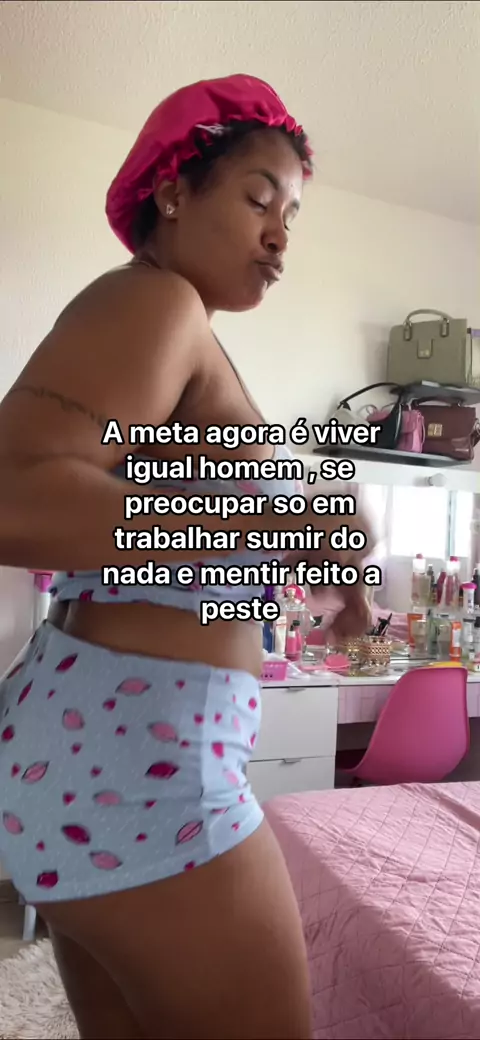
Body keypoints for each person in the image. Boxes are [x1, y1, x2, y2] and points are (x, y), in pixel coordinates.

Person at [0, 75, 372, 1040]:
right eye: (257, 199)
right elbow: (15, 493)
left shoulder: (183, 336)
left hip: (92, 749)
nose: (280, 234)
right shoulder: (159, 302)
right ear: (172, 191)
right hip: (145, 762)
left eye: (292, 215)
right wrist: (267, 526)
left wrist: (330, 557)